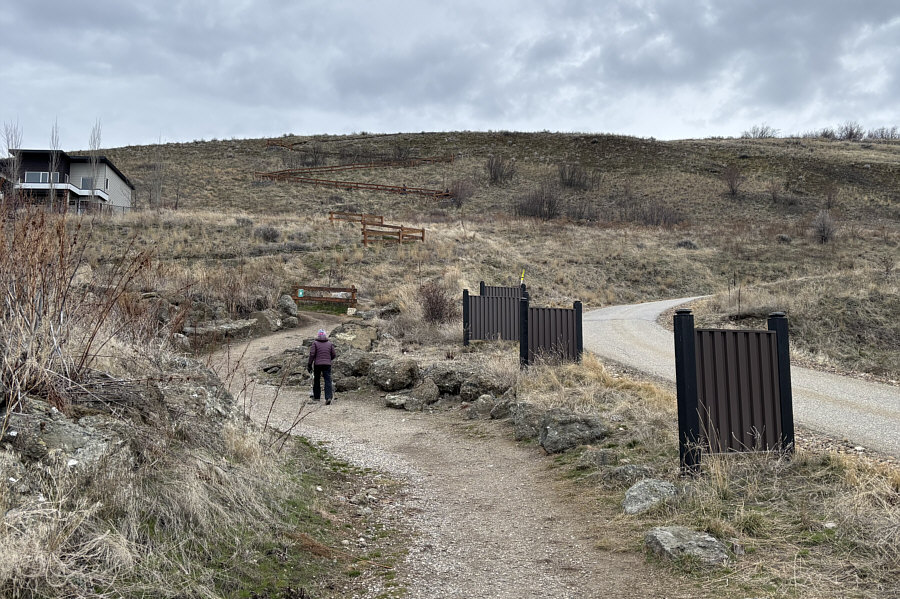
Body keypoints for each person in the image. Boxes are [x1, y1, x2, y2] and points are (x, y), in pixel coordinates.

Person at [307, 329, 336, 404]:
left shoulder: (315, 343)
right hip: (327, 364)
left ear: (318, 335)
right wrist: (329, 359)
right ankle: (328, 397)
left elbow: (312, 354)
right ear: (325, 335)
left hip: (317, 364)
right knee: (327, 380)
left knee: (317, 380)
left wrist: (309, 364)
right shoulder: (330, 344)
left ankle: (316, 397)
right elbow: (333, 354)